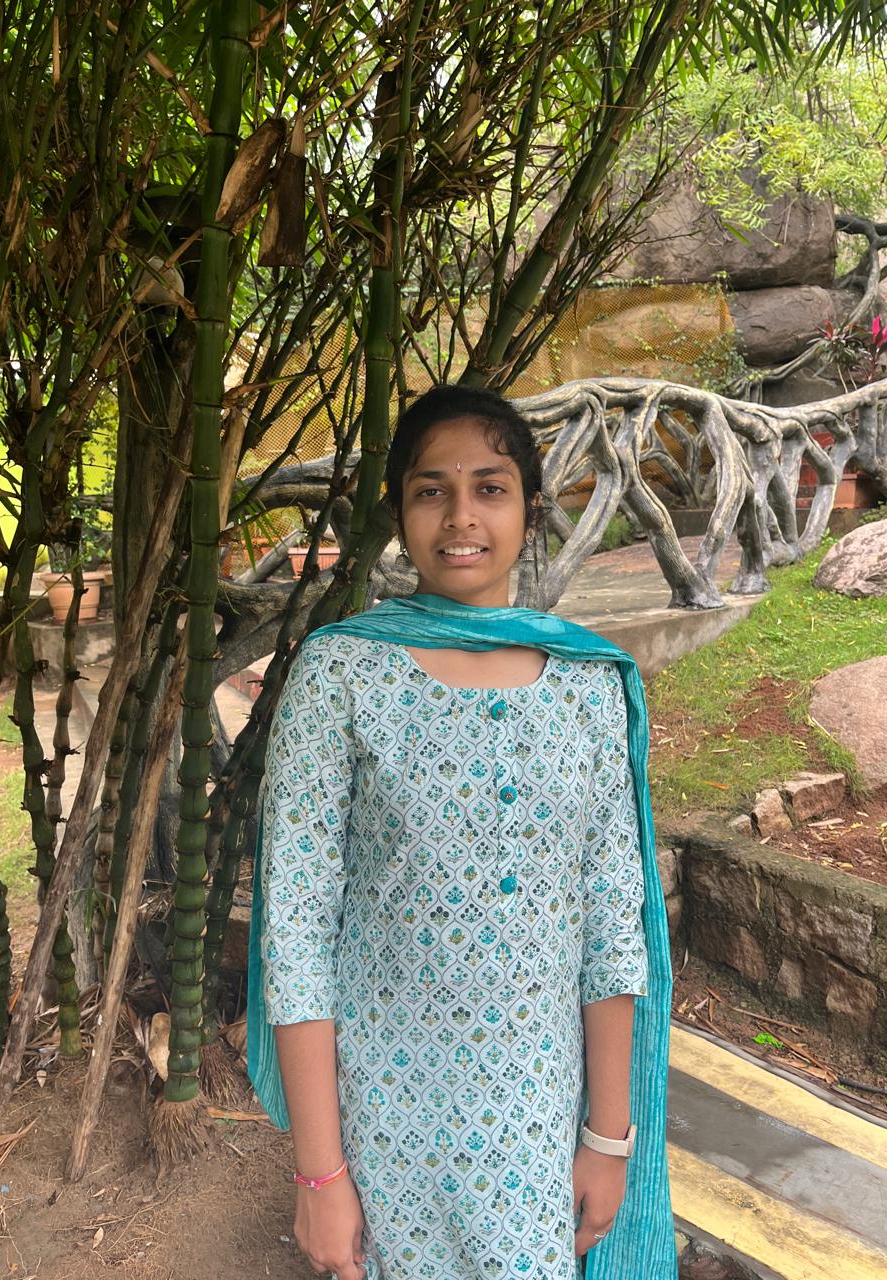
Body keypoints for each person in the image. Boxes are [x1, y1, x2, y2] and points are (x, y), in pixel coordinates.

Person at [247, 386, 675, 1280]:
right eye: (431, 490)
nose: (461, 517)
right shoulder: (340, 675)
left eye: (490, 487)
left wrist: (608, 1139)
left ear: (530, 508)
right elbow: (296, 934)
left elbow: (612, 929)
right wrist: (320, 1172)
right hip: (384, 1118)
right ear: (399, 512)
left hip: (540, 1118)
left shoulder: (588, 685)